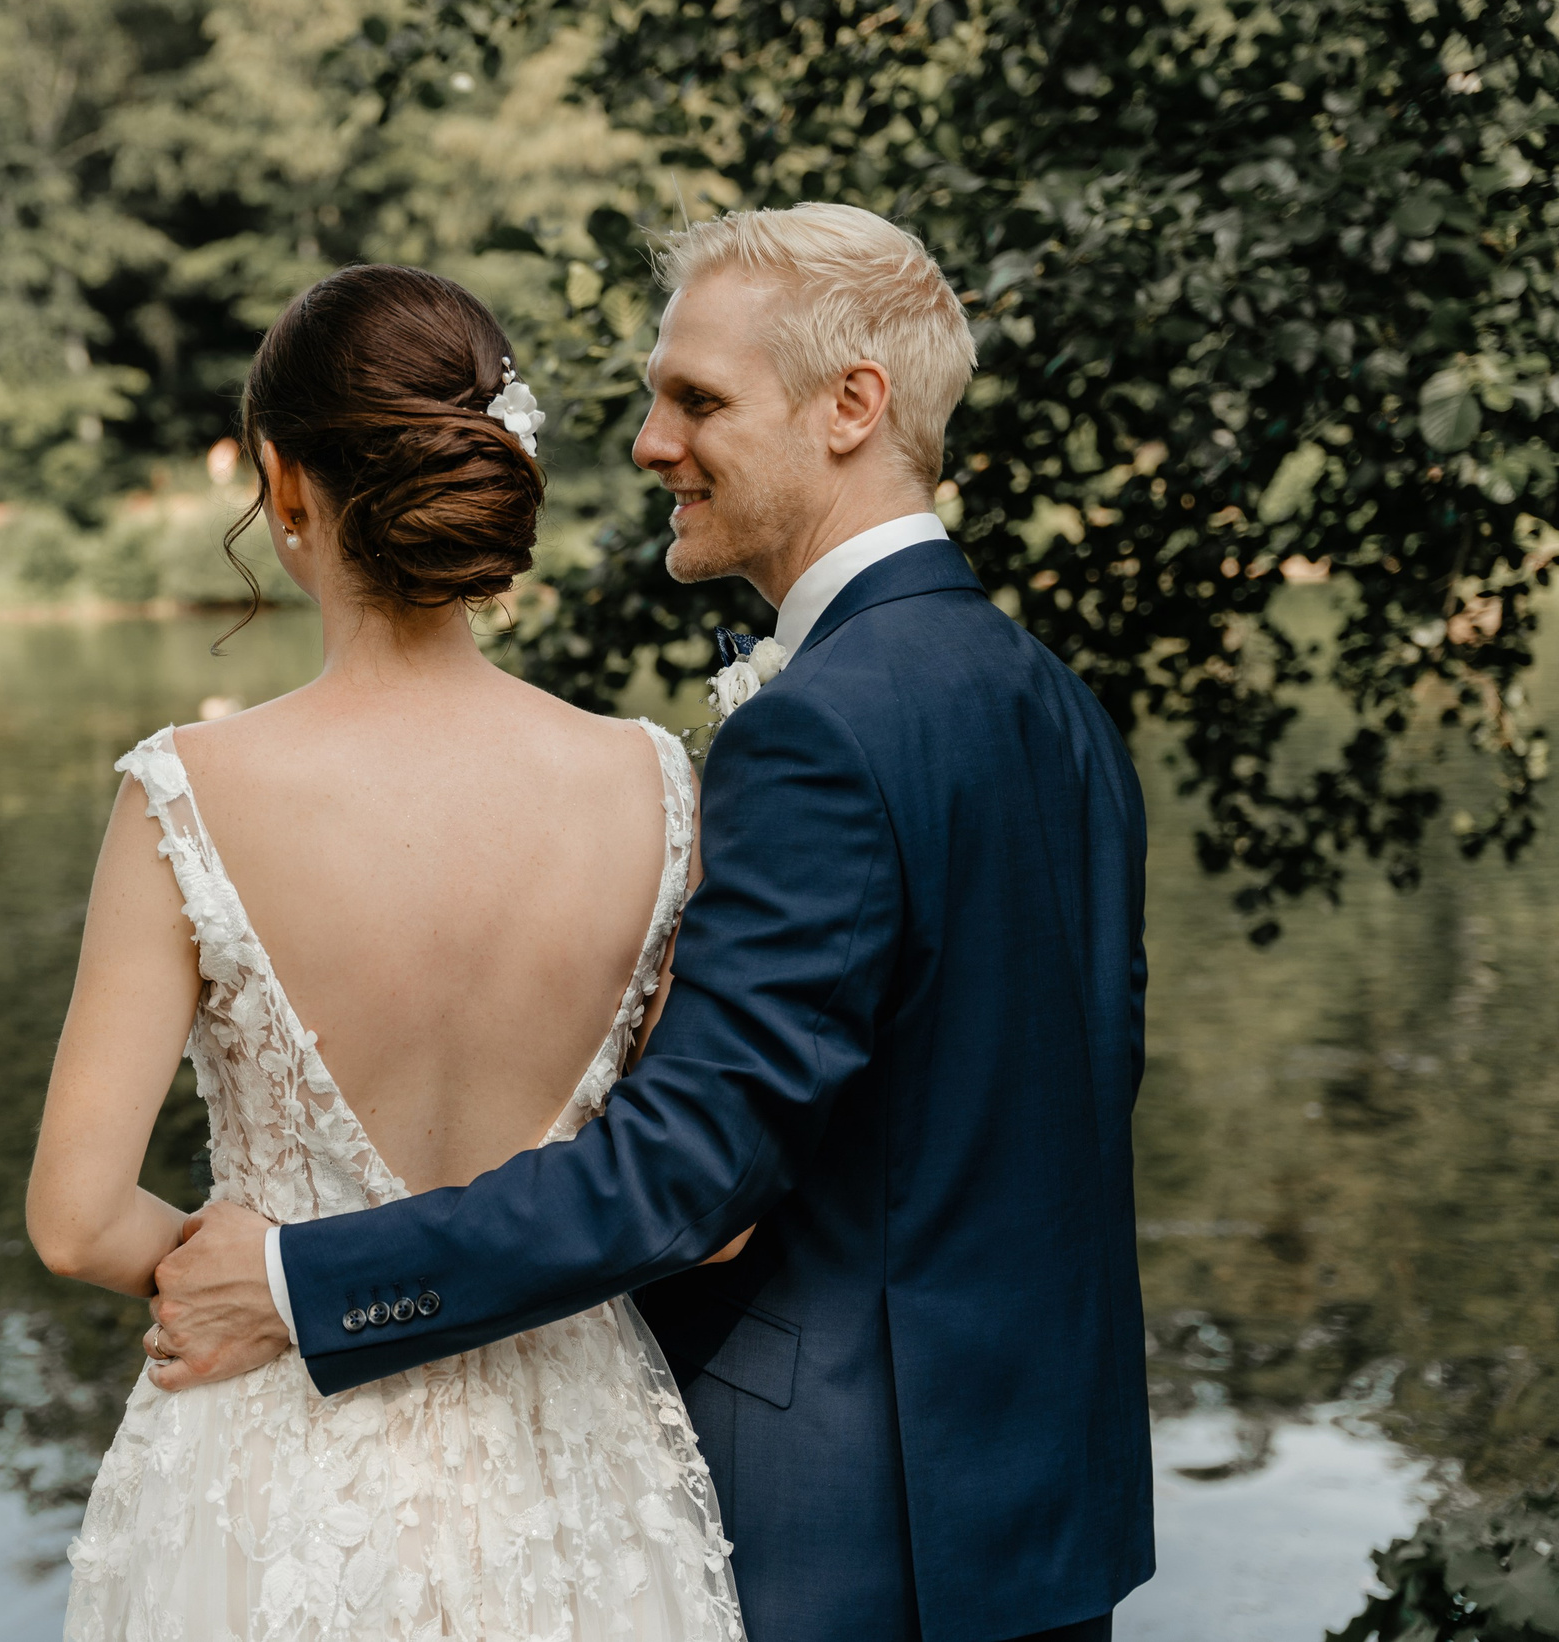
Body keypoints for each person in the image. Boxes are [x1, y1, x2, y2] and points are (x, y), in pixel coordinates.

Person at [142, 205, 1156, 1642]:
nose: (648, 443)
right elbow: (1073, 1091)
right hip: (1044, 1518)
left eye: (696, 399)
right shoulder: (1060, 707)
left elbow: (688, 1174)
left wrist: (308, 1281)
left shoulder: (820, 732)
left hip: (848, 1533)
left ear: (852, 407)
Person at [26, 263, 749, 1640]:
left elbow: (75, 1216)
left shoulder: (186, 791)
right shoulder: (653, 783)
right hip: (573, 1467)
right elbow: (709, 1207)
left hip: (274, 1459)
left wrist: (262, 1278)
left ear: (283, 485)